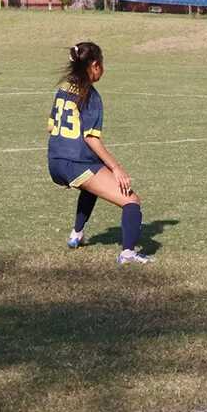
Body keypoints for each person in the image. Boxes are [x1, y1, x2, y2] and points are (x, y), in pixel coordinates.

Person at [46, 42, 152, 264]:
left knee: (91, 183)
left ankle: (76, 235)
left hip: (54, 161)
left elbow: (50, 127)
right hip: (75, 163)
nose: (103, 68)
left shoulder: (64, 88)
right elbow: (91, 138)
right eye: (102, 64)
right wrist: (117, 168)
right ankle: (128, 254)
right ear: (94, 65)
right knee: (131, 201)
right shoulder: (90, 95)